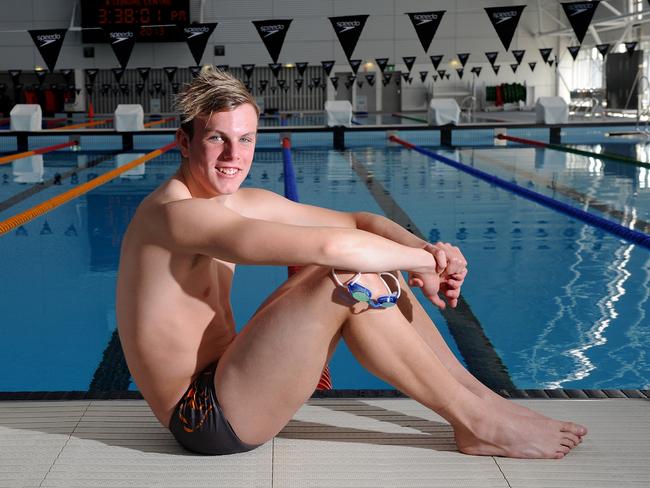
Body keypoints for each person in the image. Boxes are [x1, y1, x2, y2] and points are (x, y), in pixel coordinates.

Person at [116, 66, 587, 459]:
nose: (234, 156)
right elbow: (330, 250)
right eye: (217, 139)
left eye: (246, 139)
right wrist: (422, 264)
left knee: (368, 271)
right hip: (203, 417)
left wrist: (428, 252)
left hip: (236, 379)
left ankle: (485, 402)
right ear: (184, 140)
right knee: (346, 279)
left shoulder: (236, 201)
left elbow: (361, 220)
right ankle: (478, 423)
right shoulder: (174, 217)